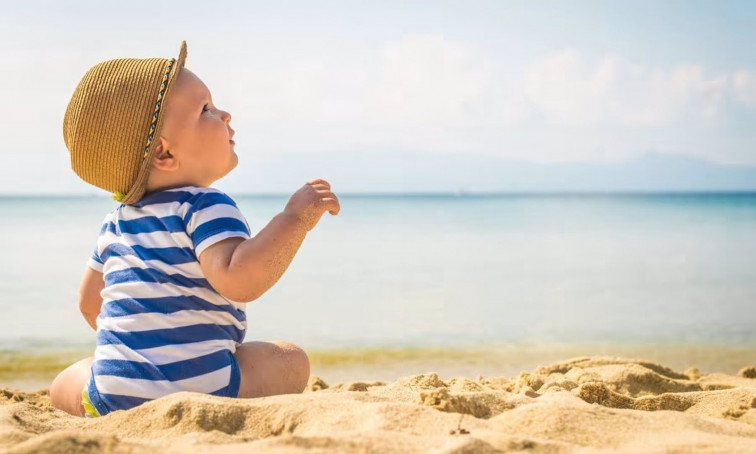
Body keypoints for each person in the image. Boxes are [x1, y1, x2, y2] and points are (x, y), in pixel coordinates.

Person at [50, 40, 340, 417]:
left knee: (66, 383)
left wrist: (144, 352)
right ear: (164, 154)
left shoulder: (116, 222)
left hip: (115, 394)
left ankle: (103, 393)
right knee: (291, 360)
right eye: (206, 109)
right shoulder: (205, 205)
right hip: (206, 388)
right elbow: (240, 279)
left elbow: (91, 304)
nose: (226, 114)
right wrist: (294, 220)